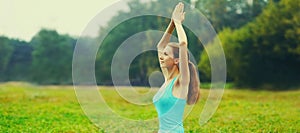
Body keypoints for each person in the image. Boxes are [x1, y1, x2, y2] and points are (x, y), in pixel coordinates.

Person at [153, 2, 200, 133]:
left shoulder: (182, 81)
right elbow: (160, 47)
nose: (161, 56)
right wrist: (172, 23)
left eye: (166, 55)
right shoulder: (167, 79)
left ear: (176, 60)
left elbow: (183, 43)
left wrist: (179, 23)